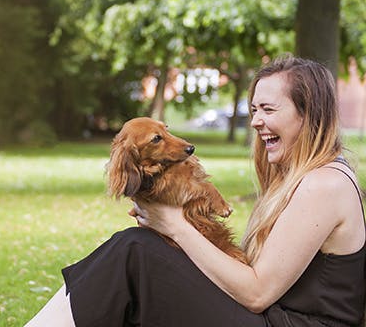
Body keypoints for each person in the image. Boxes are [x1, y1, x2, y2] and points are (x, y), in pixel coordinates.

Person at [25, 56, 365, 327]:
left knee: (134, 251)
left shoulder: (324, 184)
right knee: (136, 250)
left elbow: (258, 293)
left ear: (309, 116)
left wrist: (175, 226)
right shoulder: (305, 178)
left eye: (269, 110)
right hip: (273, 319)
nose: (256, 122)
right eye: (254, 110)